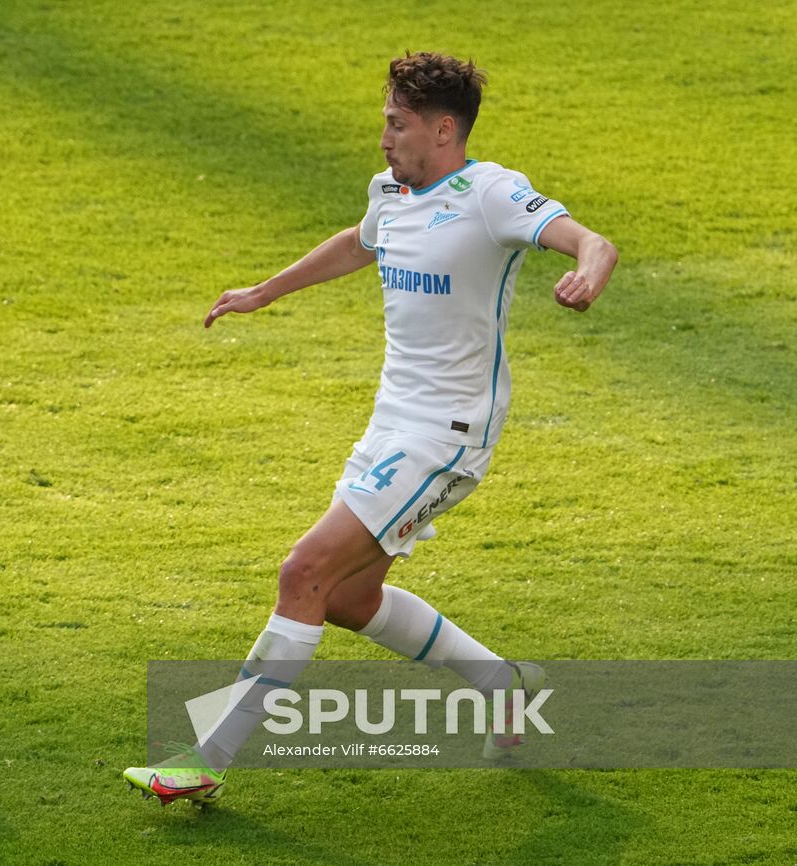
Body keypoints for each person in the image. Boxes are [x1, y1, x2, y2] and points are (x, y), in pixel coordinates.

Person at [124, 51, 617, 806]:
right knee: (349, 600)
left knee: (304, 574)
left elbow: (593, 241)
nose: (383, 137)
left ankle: (208, 758)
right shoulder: (392, 190)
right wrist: (265, 291)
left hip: (448, 434)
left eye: (398, 123)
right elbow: (361, 241)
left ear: (444, 129)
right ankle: (504, 684)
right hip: (391, 426)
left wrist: (587, 271)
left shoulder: (490, 194)